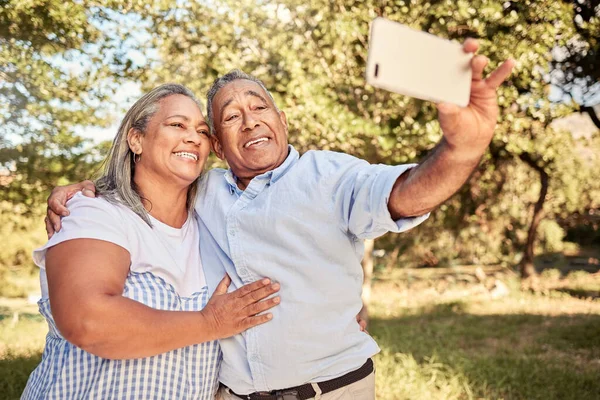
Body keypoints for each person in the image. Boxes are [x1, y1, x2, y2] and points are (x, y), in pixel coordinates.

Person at [47, 39, 514, 399]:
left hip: (331, 391)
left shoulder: (329, 174)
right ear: (219, 147)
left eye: (258, 107)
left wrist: (462, 149)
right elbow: (149, 179)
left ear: (282, 120)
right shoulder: (203, 192)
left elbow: (404, 194)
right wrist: (84, 189)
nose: (249, 121)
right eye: (229, 118)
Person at [23, 84, 281, 400]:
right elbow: (87, 321)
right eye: (177, 125)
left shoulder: (212, 227)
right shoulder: (95, 211)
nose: (193, 137)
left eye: (201, 130)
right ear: (136, 139)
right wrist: (209, 323)